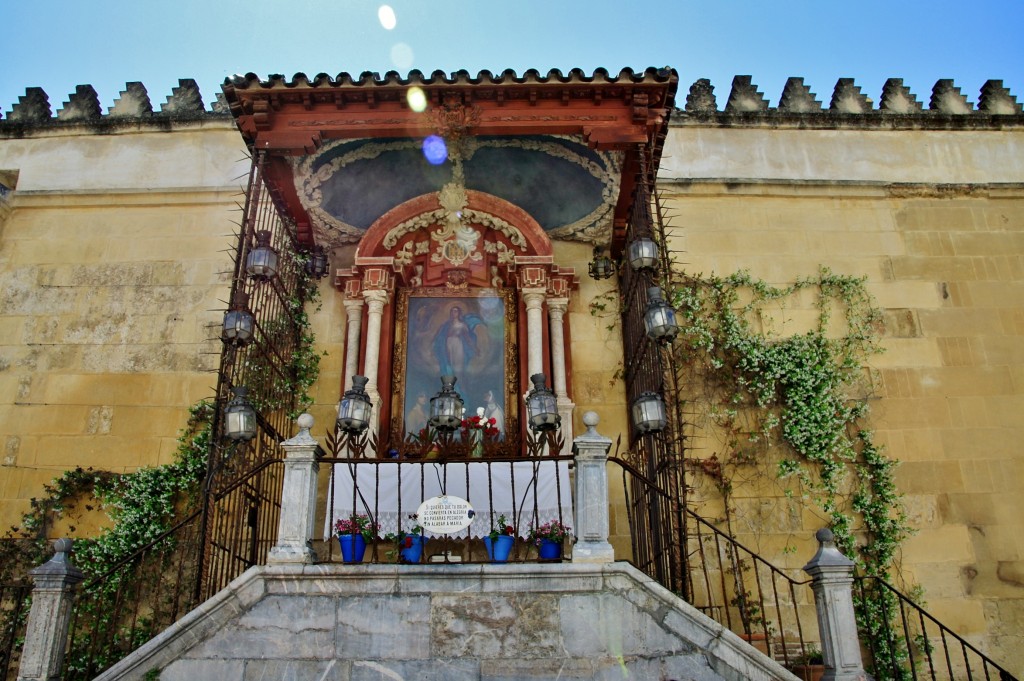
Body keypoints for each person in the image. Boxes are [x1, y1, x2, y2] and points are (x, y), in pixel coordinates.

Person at [432, 305, 484, 377]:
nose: (454, 313)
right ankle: (452, 384)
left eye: (455, 311)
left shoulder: (462, 325)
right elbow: (440, 336)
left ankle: (459, 384)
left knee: (458, 366)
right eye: (452, 311)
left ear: (459, 313)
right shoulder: (447, 325)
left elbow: (467, 338)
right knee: (449, 364)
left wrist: (475, 349)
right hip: (448, 345)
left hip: (457, 345)